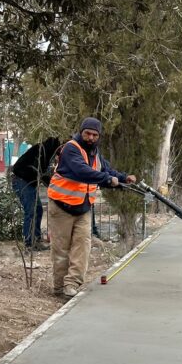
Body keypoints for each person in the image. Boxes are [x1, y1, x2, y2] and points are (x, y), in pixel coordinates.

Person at [47, 117, 136, 298]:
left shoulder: (95, 152)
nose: (91, 138)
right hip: (61, 206)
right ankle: (58, 287)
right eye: (87, 133)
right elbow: (82, 171)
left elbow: (106, 171)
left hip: (83, 208)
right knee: (61, 249)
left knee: (82, 247)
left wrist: (123, 178)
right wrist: (106, 180)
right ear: (81, 132)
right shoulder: (71, 148)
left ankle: (71, 284)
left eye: (95, 135)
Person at [10, 137, 61, 251]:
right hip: (21, 180)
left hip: (27, 181)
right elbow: (40, 172)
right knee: (32, 211)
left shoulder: (45, 151)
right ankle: (30, 242)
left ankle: (35, 240)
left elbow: (41, 173)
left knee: (37, 209)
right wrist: (53, 185)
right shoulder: (41, 151)